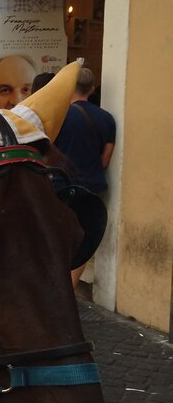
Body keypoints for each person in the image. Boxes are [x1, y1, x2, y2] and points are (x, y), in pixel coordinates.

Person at [54, 65, 116, 288]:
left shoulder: (58, 115)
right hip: (91, 189)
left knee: (58, 238)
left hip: (60, 187)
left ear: (70, 87)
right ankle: (69, 288)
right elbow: (105, 160)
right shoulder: (107, 119)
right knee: (84, 240)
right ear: (91, 89)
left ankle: (55, 284)